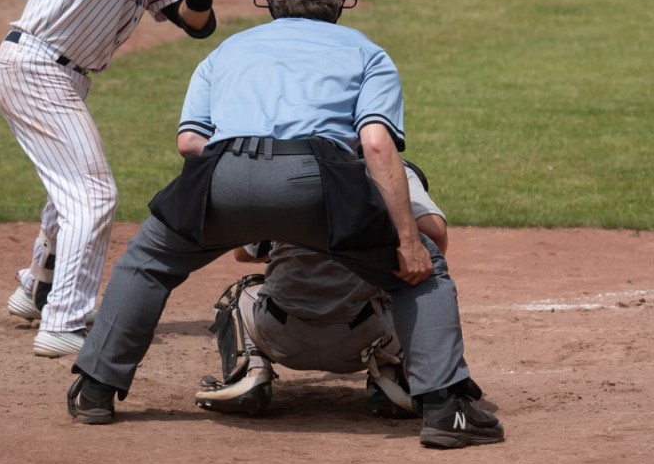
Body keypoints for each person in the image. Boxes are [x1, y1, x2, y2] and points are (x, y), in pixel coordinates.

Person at [66, 0, 504, 449]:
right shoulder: (367, 52)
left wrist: (250, 184)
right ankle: (445, 410)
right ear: (339, 2)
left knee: (147, 262)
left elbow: (189, 142)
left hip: (220, 174)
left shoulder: (226, 49)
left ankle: (94, 389)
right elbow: (377, 144)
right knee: (421, 271)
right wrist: (406, 240)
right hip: (317, 180)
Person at [0, 0, 220, 358]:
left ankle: (39, 287)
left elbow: (196, 24)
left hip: (58, 76)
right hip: (37, 66)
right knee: (93, 196)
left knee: (67, 190)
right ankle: (64, 322)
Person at [194, 162, 473, 420]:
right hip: (364, 338)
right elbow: (435, 233)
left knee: (240, 292)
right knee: (409, 287)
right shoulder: (391, 170)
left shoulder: (278, 173)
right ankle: (390, 376)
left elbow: (242, 253)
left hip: (281, 336)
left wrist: (293, 242)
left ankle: (250, 372)